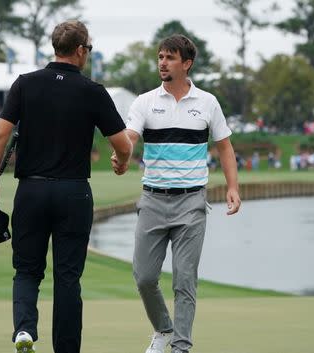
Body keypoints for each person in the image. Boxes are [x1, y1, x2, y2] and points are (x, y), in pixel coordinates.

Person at [0, 20, 132, 353]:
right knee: (67, 278)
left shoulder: (25, 85)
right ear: (80, 51)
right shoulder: (93, 91)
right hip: (74, 193)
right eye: (88, 49)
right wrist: (122, 162)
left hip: (31, 191)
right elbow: (123, 144)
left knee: (26, 270)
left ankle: (23, 331)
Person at [112, 34, 241, 353]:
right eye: (160, 57)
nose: (162, 63)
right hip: (153, 199)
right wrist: (123, 153)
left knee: (185, 280)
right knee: (144, 276)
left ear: (187, 63)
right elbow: (130, 134)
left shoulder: (208, 103)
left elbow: (224, 148)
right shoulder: (144, 101)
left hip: (192, 202)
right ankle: (163, 329)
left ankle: (181, 346)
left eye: (170, 58)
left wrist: (233, 188)